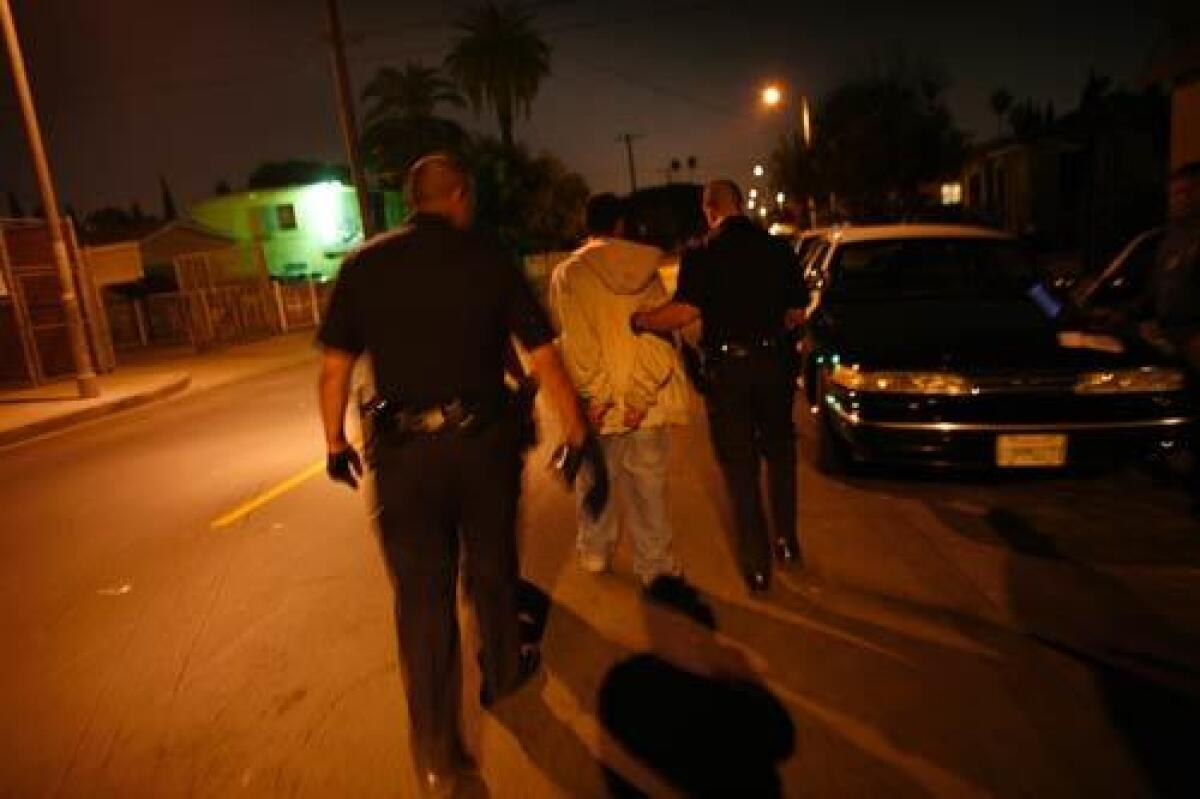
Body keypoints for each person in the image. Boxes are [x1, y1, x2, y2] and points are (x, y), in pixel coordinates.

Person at [316, 153, 595, 797]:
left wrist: (334, 441)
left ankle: (441, 759)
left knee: (422, 599)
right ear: (461, 196)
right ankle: (502, 671)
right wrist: (577, 432)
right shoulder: (489, 259)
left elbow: (335, 368)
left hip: (404, 458)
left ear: (411, 200)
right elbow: (543, 356)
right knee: (493, 568)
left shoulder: (365, 264)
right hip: (482, 450)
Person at [631, 180, 808, 594]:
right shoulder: (778, 250)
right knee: (780, 454)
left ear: (709, 210)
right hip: (774, 366)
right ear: (741, 205)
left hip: (729, 372)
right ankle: (786, 542)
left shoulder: (702, 254)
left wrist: (640, 320)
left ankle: (757, 566)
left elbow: (684, 312)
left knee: (740, 467)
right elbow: (797, 313)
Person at [549, 193, 690, 585]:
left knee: (596, 482)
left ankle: (596, 551)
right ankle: (656, 566)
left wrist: (598, 397)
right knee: (649, 488)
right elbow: (660, 336)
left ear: (587, 226)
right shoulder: (648, 269)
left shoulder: (568, 274)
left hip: (598, 409)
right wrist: (639, 398)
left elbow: (576, 344)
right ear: (620, 226)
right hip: (648, 406)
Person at [1150, 161, 1200, 513]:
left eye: (1186, 193)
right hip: (1170, 336)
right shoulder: (1171, 238)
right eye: (1174, 193)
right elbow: (1155, 290)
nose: (1177, 200)